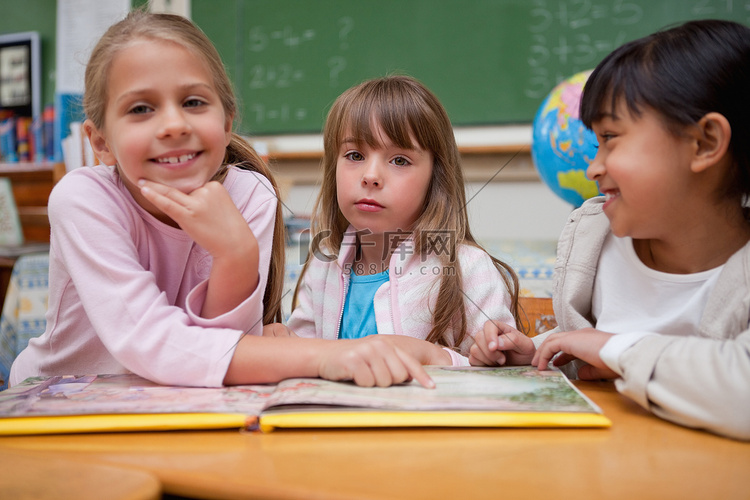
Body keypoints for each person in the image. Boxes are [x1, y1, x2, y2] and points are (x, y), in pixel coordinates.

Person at [9, 11, 433, 390]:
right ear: (100, 141)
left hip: (176, 404)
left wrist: (235, 255)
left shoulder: (251, 195)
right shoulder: (83, 198)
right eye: (141, 109)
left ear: (226, 123)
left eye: (194, 102)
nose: (173, 124)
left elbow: (218, 358)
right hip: (58, 401)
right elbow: (154, 342)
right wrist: (326, 356)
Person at [470, 19, 750, 440]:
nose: (593, 166)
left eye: (610, 138)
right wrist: (539, 352)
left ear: (705, 143)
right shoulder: (595, 244)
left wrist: (614, 349)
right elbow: (597, 352)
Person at [279, 75, 522, 366]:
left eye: (399, 160)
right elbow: (303, 357)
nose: (370, 176)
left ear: (436, 177)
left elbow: (503, 376)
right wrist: (281, 342)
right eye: (355, 155)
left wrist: (438, 357)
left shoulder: (469, 269)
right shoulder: (323, 264)